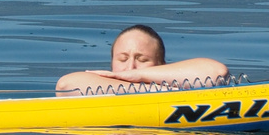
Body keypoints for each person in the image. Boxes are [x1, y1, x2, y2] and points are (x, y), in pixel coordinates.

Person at [54, 24, 228, 95]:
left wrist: (140, 76)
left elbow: (217, 74)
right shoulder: (94, 86)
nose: (131, 67)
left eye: (142, 59)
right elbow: (65, 86)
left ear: (161, 65)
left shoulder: (173, 89)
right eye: (122, 59)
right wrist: (146, 88)